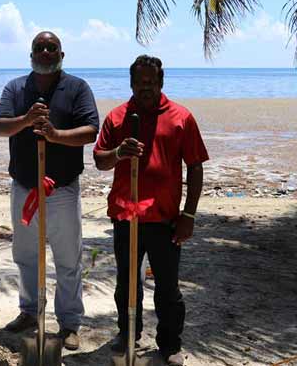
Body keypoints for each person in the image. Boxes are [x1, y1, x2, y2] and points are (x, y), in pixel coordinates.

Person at [93, 55, 209, 366]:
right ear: (131, 83)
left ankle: (170, 344)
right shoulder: (118, 118)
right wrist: (119, 152)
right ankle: (128, 333)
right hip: (125, 216)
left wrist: (189, 215)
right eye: (140, 82)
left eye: (151, 81)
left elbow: (195, 167)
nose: (146, 87)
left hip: (165, 218)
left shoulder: (181, 117)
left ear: (160, 82)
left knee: (168, 286)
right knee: (127, 283)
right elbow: (100, 161)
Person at [0, 31, 99, 351]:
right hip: (25, 186)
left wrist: (54, 135)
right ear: (31, 53)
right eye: (40, 47)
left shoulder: (77, 87)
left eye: (52, 47)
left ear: (61, 53)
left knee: (68, 258)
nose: (46, 52)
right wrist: (26, 120)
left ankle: (68, 323)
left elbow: (91, 131)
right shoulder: (16, 88)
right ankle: (29, 312)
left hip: (62, 189)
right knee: (25, 255)